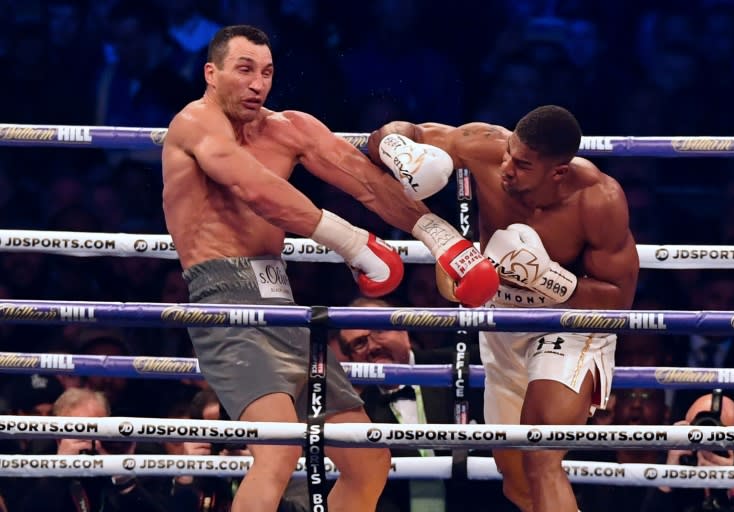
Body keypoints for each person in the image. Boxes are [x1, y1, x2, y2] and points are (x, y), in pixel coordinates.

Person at [161, 25, 499, 512]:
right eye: (245, 70)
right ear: (211, 74)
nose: (258, 83)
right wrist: (353, 242)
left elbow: (366, 182)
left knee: (369, 460)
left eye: (268, 72)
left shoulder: (290, 128)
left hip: (283, 301)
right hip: (225, 299)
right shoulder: (194, 124)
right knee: (277, 453)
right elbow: (254, 188)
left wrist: (439, 236)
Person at [368, 104, 640, 512]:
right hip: (502, 325)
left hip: (567, 325)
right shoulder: (484, 147)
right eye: (510, 152)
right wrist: (400, 148)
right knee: (517, 482)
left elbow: (619, 297)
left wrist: (549, 278)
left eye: (524, 164)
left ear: (558, 172)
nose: (507, 168)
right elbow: (389, 133)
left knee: (541, 454)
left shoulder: (598, 199)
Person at [334, 297, 514, 512]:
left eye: (378, 331)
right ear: (350, 358)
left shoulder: (464, 365)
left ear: (404, 331)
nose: (372, 346)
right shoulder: (360, 414)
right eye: (359, 343)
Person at [19, 388, 167, 512]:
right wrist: (59, 471)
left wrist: (124, 480)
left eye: (96, 430)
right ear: (59, 438)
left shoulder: (134, 455)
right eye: (80, 432)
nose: (92, 441)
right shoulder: (40, 457)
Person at [641, 392, 734, 512]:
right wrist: (668, 478)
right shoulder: (674, 461)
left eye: (718, 431)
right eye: (700, 429)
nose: (708, 440)